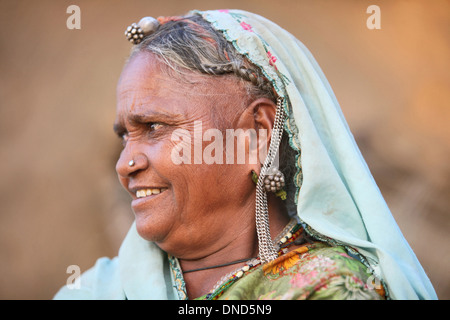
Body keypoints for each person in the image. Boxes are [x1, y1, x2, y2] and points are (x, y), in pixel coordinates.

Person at [54, 9, 437, 300]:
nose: (125, 165)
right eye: (125, 136)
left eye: (155, 127)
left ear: (255, 136)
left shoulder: (328, 289)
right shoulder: (96, 290)